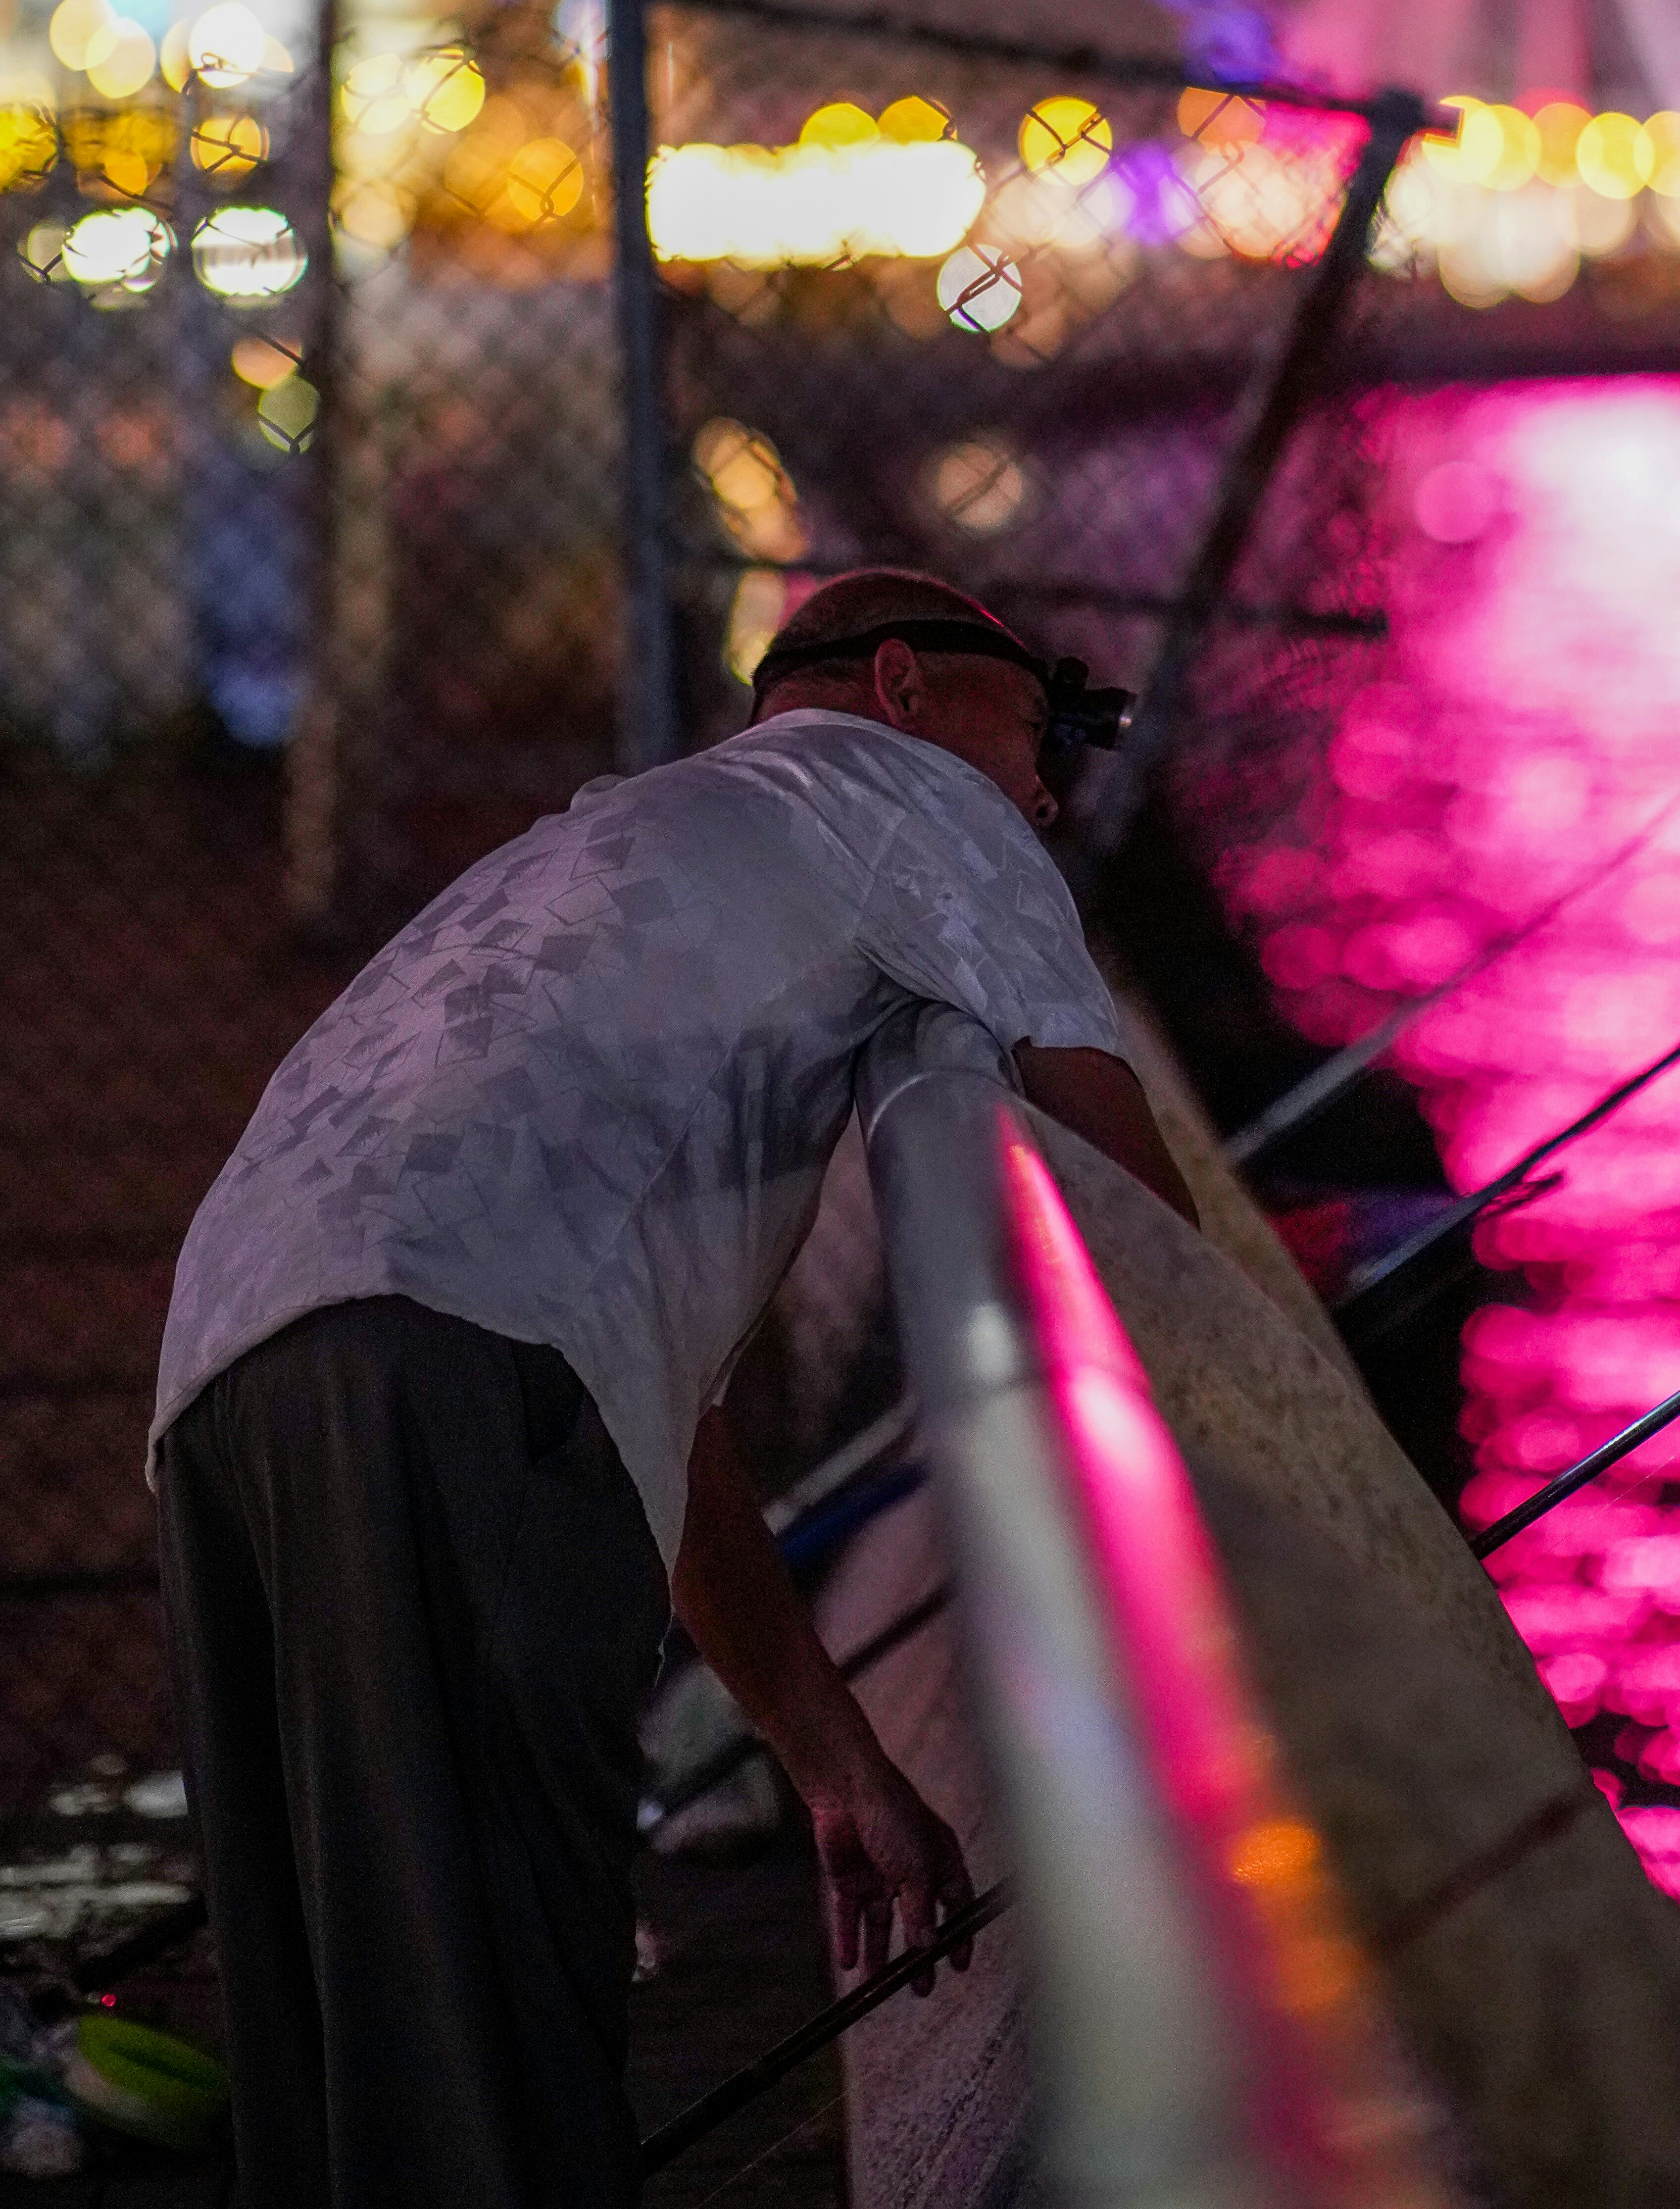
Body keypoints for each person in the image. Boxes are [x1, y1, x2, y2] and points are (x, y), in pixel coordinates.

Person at [150, 567, 1195, 2209]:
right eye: (1039, 722)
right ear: (907, 683)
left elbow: (656, 1420)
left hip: (227, 1369)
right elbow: (1133, 1200)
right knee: (499, 2018)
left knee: (346, 2039)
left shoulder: (626, 852)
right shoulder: (910, 793)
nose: (1052, 783)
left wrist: (835, 1762)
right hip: (450, 1377)